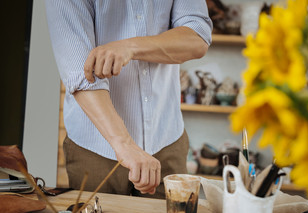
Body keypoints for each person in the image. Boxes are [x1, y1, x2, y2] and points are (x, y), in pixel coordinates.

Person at [46, 0, 212, 198]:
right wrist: (124, 145)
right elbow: (81, 75)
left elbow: (198, 36)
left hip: (166, 138)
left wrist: (130, 47)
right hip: (95, 148)